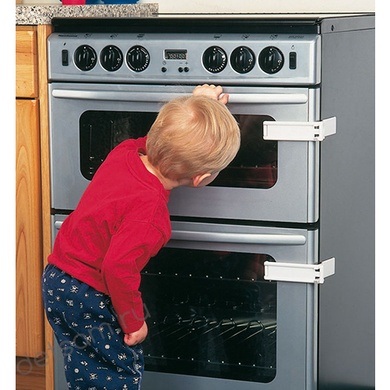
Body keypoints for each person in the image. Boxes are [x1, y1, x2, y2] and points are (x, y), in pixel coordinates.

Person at [42, 84, 240, 390]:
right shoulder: (151, 214)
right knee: (114, 374)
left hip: (57, 280)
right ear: (201, 179)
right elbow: (117, 269)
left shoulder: (125, 153)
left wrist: (197, 104)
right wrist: (134, 323)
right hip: (89, 293)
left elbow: (159, 139)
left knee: (86, 369)